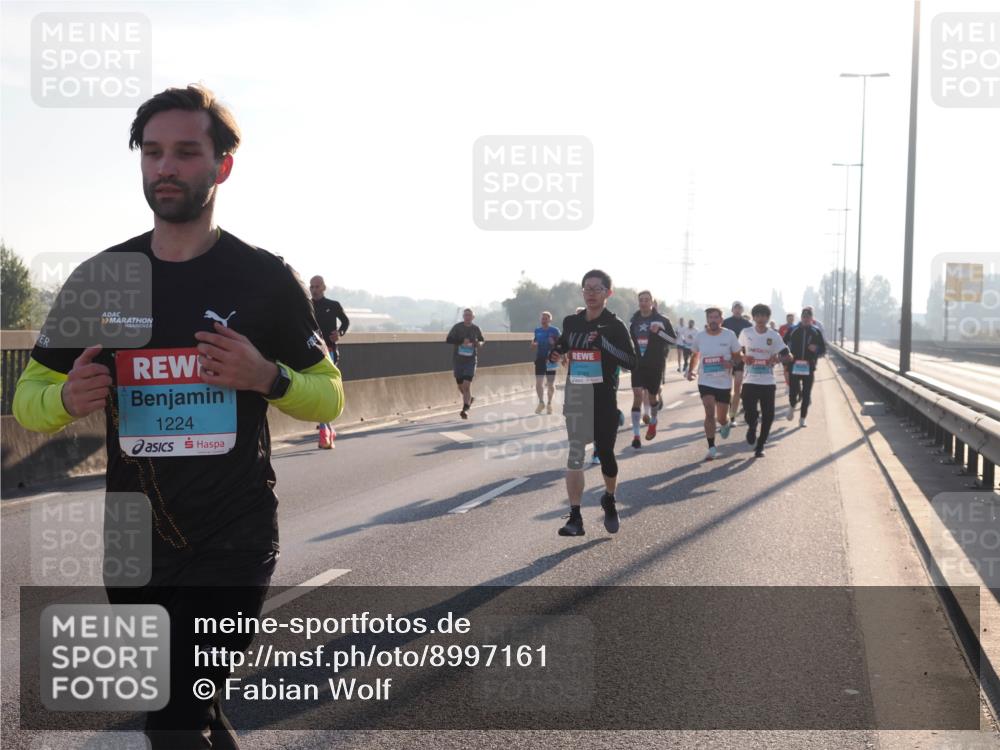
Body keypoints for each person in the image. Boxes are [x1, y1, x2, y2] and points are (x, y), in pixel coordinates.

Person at [12, 85, 344, 749]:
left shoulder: (263, 278)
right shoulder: (104, 278)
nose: (166, 167)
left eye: (185, 152)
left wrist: (267, 376)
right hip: (134, 537)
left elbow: (330, 394)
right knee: (189, 711)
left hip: (235, 530)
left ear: (221, 167)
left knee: (171, 719)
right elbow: (28, 397)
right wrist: (65, 399)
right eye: (153, 152)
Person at [550, 270, 636, 536]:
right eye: (586, 288)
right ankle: (575, 518)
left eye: (597, 289)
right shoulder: (572, 322)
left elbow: (631, 362)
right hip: (576, 396)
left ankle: (609, 498)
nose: (590, 293)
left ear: (608, 293)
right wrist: (556, 352)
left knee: (606, 455)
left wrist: (604, 344)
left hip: (603, 398)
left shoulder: (615, 326)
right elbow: (564, 345)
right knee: (575, 453)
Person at [686, 307, 741, 461]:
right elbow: (695, 354)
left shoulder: (729, 335)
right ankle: (711, 447)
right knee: (709, 412)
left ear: (721, 320)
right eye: (710, 317)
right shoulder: (700, 336)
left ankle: (725, 423)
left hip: (723, 383)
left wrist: (731, 362)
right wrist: (691, 371)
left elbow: (739, 356)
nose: (713, 320)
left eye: (716, 317)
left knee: (721, 418)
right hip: (705, 381)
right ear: (707, 320)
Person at [738, 303, 791, 458]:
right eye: (758, 316)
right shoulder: (745, 333)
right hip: (750, 380)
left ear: (768, 318)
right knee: (749, 412)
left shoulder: (774, 336)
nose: (761, 319)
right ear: (753, 317)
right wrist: (743, 357)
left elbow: (788, 355)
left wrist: (777, 358)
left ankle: (760, 445)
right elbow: (736, 352)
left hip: (768, 382)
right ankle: (752, 426)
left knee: (769, 415)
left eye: (764, 316)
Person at [628, 292, 675, 448]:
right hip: (638, 363)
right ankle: (636, 435)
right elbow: (632, 341)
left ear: (652, 302)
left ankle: (653, 421)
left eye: (646, 300)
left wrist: (659, 332)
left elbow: (674, 340)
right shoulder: (634, 320)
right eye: (641, 300)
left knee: (653, 397)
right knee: (637, 394)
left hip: (655, 364)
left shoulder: (662, 320)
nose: (643, 303)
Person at [309, 275, 349, 448]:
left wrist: (339, 333)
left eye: (317, 286)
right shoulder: (307, 306)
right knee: (319, 391)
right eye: (311, 286)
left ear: (324, 287)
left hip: (330, 352)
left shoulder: (333, 305)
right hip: (313, 352)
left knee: (326, 389)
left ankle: (324, 432)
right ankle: (327, 429)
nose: (314, 289)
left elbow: (346, 322)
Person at [783, 307, 827, 427]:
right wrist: (787, 355)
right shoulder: (793, 329)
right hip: (794, 365)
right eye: (804, 317)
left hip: (809, 366)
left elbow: (823, 349)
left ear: (812, 318)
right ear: (801, 317)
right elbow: (782, 343)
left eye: (808, 317)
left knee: (806, 393)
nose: (806, 319)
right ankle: (792, 405)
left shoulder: (816, 331)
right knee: (794, 392)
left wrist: (816, 349)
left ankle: (802, 419)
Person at [446, 308, 484, 419]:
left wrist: (478, 344)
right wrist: (461, 342)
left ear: (473, 317)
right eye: (466, 315)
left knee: (466, 386)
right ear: (463, 317)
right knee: (460, 385)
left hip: (471, 360)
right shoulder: (457, 327)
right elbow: (448, 339)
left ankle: (465, 409)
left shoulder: (476, 329)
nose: (467, 317)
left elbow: (482, 340)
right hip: (458, 360)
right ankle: (469, 399)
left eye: (469, 315)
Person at [722, 301, 752, 420]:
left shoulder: (748, 324)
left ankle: (732, 416)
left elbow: (752, 341)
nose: (738, 310)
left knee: (738, 386)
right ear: (732, 309)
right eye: (736, 308)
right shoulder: (725, 322)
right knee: (727, 389)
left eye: (740, 308)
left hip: (741, 359)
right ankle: (727, 412)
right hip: (727, 358)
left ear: (742, 310)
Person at [530, 311, 561, 414]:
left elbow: (561, 344)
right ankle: (541, 402)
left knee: (550, 384)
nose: (544, 320)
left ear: (550, 320)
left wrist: (555, 344)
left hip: (551, 360)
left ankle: (549, 404)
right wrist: (533, 344)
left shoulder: (555, 330)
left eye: (546, 318)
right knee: (538, 383)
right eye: (542, 318)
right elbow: (534, 342)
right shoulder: (537, 330)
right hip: (540, 359)